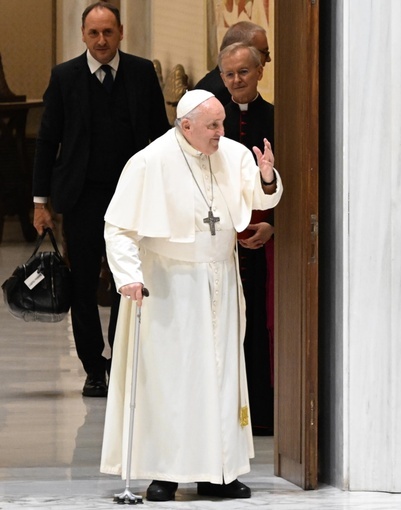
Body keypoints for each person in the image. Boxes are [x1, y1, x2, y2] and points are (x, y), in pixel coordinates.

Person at [99, 89, 283, 501]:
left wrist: (267, 175)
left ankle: (218, 472)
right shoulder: (149, 162)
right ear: (186, 127)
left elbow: (260, 196)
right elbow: (119, 227)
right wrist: (128, 275)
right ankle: (164, 472)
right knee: (172, 380)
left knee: (220, 376)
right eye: (213, 125)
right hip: (169, 285)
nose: (222, 132)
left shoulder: (232, 153)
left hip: (220, 278)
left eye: (221, 123)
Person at [31, 1, 169, 397]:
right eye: (94, 33)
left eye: (108, 32)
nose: (102, 40)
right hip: (82, 197)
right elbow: (47, 139)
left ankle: (121, 358)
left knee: (128, 280)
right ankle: (94, 366)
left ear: (121, 32)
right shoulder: (65, 77)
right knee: (83, 282)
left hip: (132, 197)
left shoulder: (141, 73)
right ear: (83, 35)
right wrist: (41, 202)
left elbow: (160, 137)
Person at [219, 41, 276, 434]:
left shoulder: (276, 117)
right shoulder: (211, 120)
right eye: (229, 74)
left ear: (259, 72)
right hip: (219, 240)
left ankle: (260, 414)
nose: (237, 80)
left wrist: (274, 224)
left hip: (264, 240)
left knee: (257, 325)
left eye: (244, 72)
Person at [194, 21, 271, 106]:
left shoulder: (214, 82)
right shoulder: (221, 95)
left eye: (243, 72)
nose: (268, 59)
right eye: (264, 52)